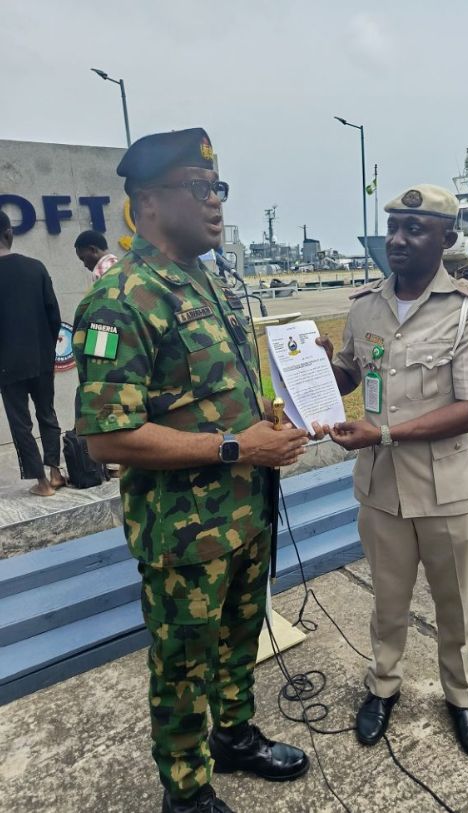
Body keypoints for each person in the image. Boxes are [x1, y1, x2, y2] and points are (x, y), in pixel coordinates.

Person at [72, 128, 310, 813]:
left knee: (241, 638)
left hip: (245, 513)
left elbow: (217, 394)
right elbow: (106, 437)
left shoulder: (209, 279)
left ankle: (235, 735)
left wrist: (272, 406)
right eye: (198, 189)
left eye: (219, 189)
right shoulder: (123, 298)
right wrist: (240, 448)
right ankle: (186, 788)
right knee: (181, 668)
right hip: (184, 535)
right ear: (147, 201)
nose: (215, 204)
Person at [318, 184, 468, 761]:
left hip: (447, 486)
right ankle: (383, 685)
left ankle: (461, 696)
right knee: (387, 600)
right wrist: (324, 369)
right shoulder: (366, 305)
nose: (397, 239)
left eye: (414, 229)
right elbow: (351, 374)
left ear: (445, 239)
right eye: (393, 226)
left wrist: (388, 433)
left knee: (454, 604)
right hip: (381, 488)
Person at [0, 210, 65, 497]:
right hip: (41, 357)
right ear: (8, 233)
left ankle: (40, 483)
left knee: (20, 423)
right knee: (47, 413)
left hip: (6, 364)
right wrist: (48, 350)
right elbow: (54, 315)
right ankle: (55, 472)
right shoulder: (36, 267)